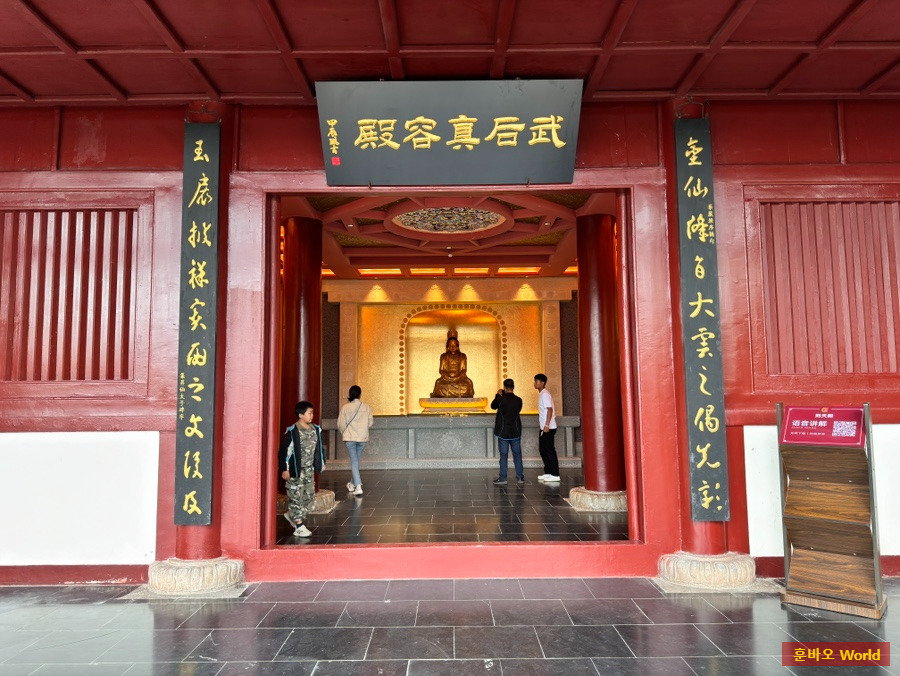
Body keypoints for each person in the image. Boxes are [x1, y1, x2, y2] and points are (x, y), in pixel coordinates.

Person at [278, 400, 325, 538]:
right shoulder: (293, 431)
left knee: (309, 496)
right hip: (295, 470)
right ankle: (299, 526)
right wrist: (284, 469)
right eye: (309, 413)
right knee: (295, 497)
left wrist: (321, 462)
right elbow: (284, 452)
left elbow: (319, 448)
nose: (312, 416)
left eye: (312, 413)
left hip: (308, 470)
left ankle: (291, 514)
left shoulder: (315, 429)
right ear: (300, 415)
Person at [337, 384, 373, 496]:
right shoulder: (366, 407)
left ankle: (358, 486)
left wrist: (345, 433)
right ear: (360, 394)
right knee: (356, 461)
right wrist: (362, 430)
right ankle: (352, 484)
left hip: (350, 438)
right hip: (362, 438)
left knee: (354, 461)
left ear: (350, 394)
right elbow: (370, 422)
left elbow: (340, 424)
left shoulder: (345, 407)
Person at [491, 378, 523, 485]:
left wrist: (498, 395)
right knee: (517, 455)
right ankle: (520, 477)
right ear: (513, 387)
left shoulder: (500, 399)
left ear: (504, 387)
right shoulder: (519, 400)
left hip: (503, 432)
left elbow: (493, 406)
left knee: (503, 456)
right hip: (515, 431)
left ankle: (503, 478)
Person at [431, 329, 475, 398]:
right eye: (450, 345)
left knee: (468, 384)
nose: (452, 347)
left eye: (454, 345)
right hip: (446, 379)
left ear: (457, 346)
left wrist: (457, 377)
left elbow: (463, 370)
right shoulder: (444, 356)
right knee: (438, 383)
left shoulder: (462, 356)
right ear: (448, 346)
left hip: (459, 378)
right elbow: (441, 370)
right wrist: (448, 377)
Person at [533, 373, 559, 482]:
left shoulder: (545, 394)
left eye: (537, 381)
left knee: (549, 450)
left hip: (548, 427)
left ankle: (555, 474)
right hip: (544, 428)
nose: (535, 383)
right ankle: (548, 472)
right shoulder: (542, 394)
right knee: (543, 450)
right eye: (535, 381)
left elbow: (549, 409)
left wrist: (547, 424)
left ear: (542, 383)